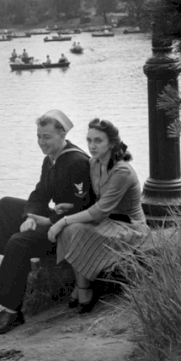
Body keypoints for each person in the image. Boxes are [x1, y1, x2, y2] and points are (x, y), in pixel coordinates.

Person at [0, 109, 92, 335]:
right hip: (55, 217)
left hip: (70, 228)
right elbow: (40, 194)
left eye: (47, 137)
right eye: (39, 136)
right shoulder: (50, 159)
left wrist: (49, 219)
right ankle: (12, 267)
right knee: (6, 205)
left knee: (19, 241)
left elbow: (86, 207)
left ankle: (12, 311)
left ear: (62, 135)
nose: (41, 142)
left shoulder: (77, 162)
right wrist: (30, 217)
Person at [48, 119, 148, 313]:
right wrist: (69, 207)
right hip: (107, 220)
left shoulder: (122, 171)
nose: (92, 146)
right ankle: (82, 285)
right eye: (89, 140)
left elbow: (99, 210)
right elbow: (92, 199)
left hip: (130, 226)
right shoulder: (94, 163)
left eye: (98, 141)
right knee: (71, 229)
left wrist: (62, 221)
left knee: (73, 228)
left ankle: (83, 288)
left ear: (111, 143)